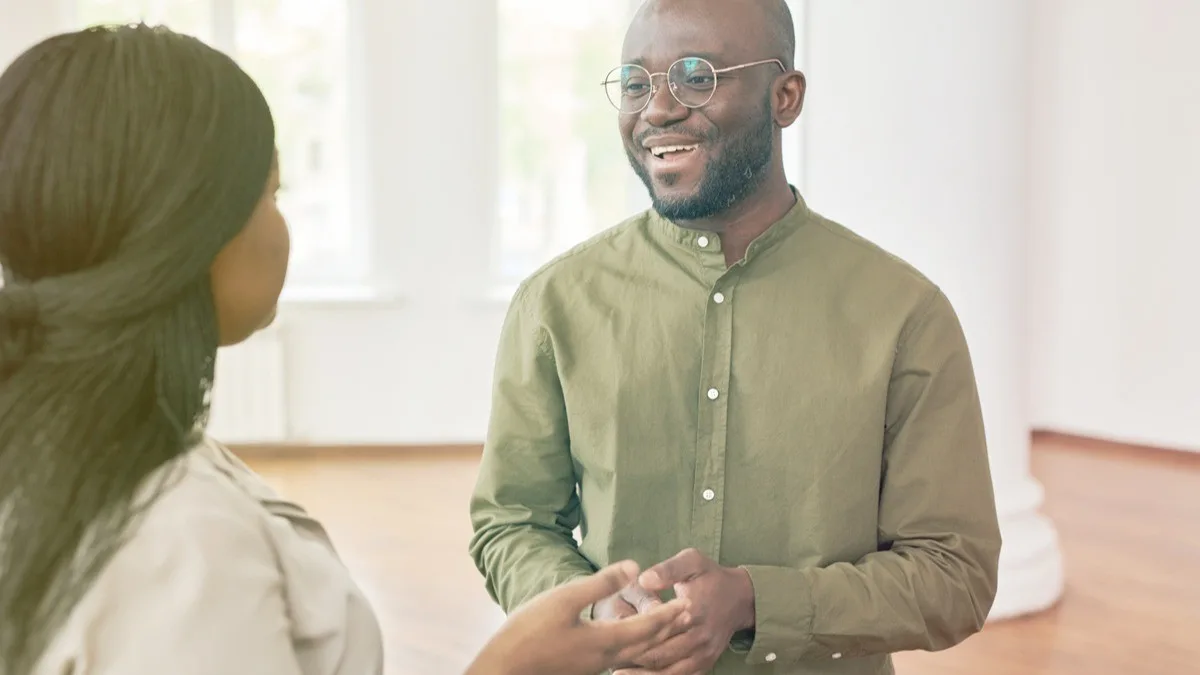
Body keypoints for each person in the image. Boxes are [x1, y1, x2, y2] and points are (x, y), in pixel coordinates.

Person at [0, 23, 689, 675]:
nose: (281, 226)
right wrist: (504, 664)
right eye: (271, 193)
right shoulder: (181, 538)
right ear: (187, 229)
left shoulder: (64, 449)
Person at [468, 0, 1004, 673]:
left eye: (697, 76)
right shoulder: (555, 304)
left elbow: (955, 573)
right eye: (636, 83)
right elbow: (511, 522)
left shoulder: (905, 314)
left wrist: (757, 601)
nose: (657, 110)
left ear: (785, 96)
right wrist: (594, 609)